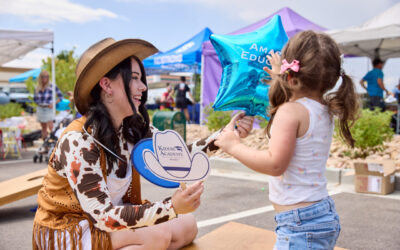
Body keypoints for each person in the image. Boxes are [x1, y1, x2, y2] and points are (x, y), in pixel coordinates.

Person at [33, 37, 254, 250]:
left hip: (111, 216)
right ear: (106, 85)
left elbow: (179, 154)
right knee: (156, 236)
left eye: (142, 79)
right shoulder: (79, 139)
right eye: (135, 78)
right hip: (70, 229)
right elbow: (102, 216)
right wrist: (171, 207)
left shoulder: (131, 127)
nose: (143, 87)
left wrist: (225, 136)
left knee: (187, 225)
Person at [215, 30, 359, 249]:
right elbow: (294, 99)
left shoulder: (290, 112)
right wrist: (278, 77)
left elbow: (275, 164)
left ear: (290, 76)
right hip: (320, 214)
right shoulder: (323, 109)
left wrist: (233, 146)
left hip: (299, 226)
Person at [33, 70, 63, 140]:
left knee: (51, 126)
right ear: (40, 77)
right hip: (40, 108)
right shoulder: (37, 87)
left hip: (49, 108)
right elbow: (35, 98)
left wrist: (53, 103)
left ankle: (54, 141)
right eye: (43, 76)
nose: (45, 78)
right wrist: (39, 103)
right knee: (43, 127)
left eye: (47, 76)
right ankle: (45, 143)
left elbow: (60, 97)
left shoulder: (52, 86)